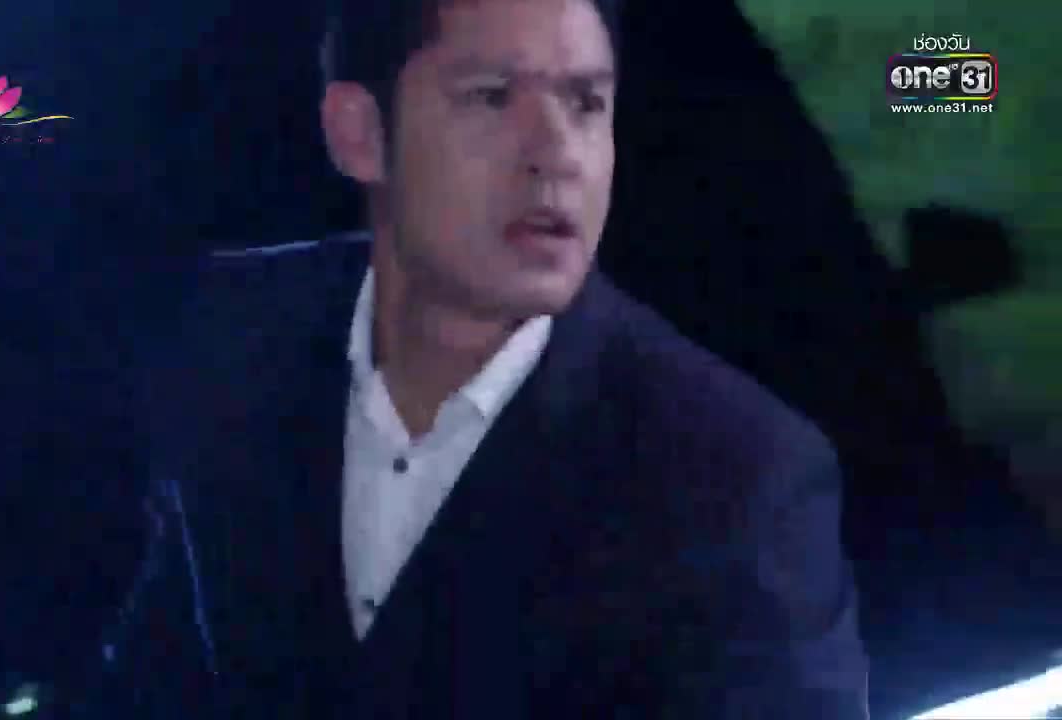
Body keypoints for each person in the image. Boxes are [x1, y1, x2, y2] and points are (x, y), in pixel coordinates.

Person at [128, 0, 870, 717]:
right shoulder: (235, 340)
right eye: (490, 97)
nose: (556, 155)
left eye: (585, 104)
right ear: (359, 133)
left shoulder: (736, 482)